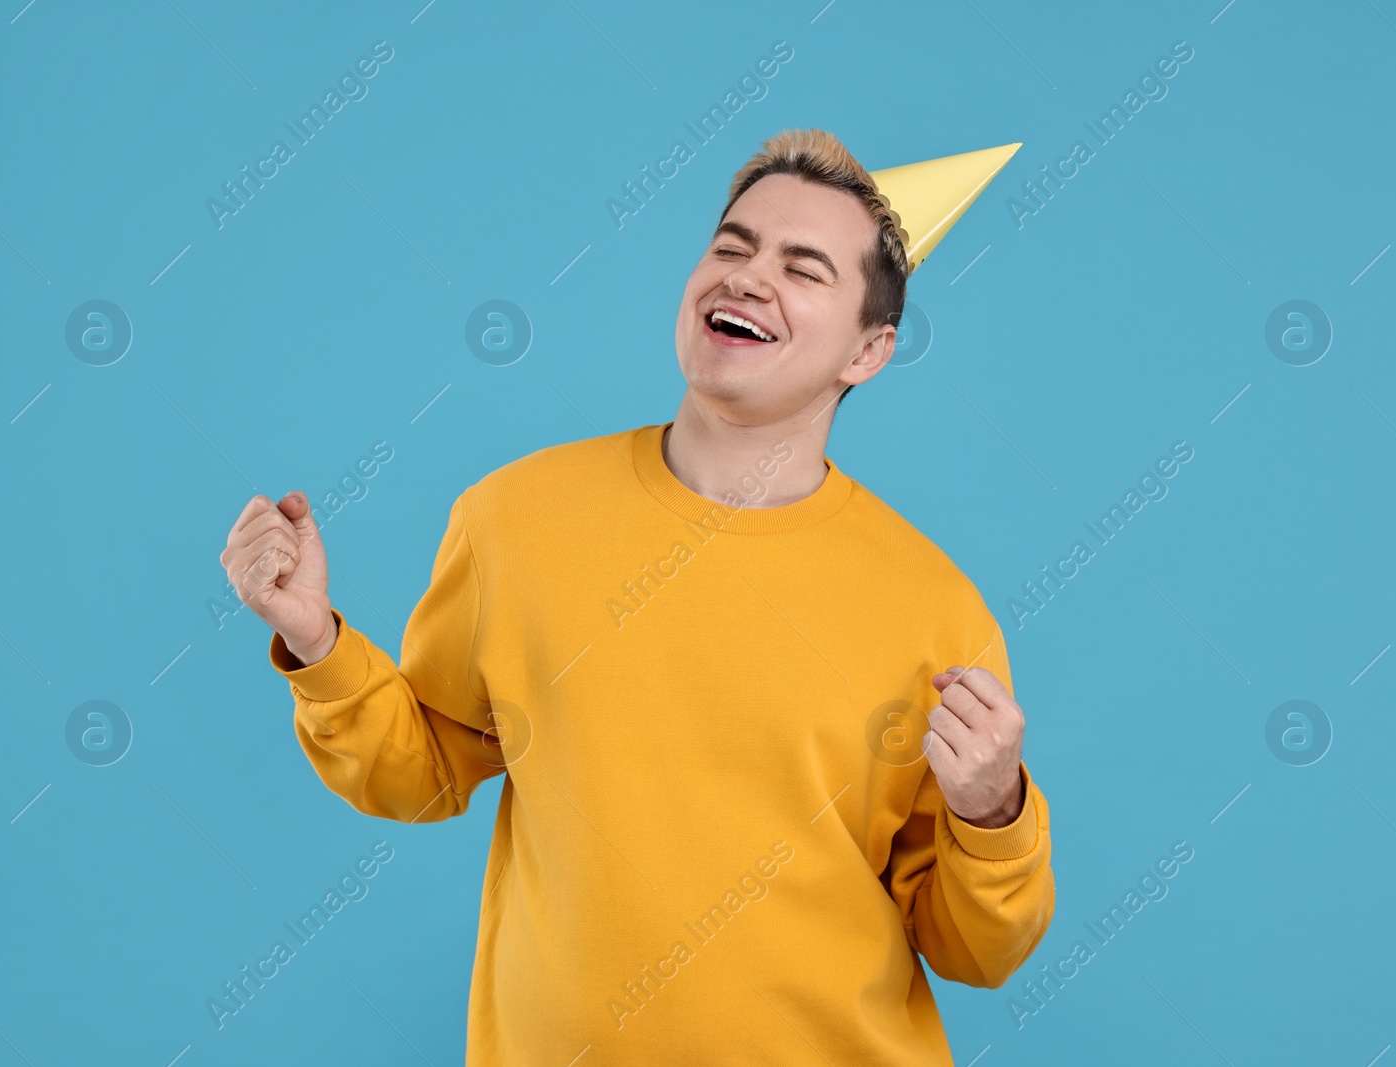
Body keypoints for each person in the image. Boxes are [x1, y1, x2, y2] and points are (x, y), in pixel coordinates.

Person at [220, 127, 1053, 1065]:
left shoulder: (934, 608)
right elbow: (422, 772)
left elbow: (973, 951)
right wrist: (318, 642)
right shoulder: (514, 519)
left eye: (803, 267)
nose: (745, 277)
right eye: (732, 246)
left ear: (868, 350)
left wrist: (994, 810)